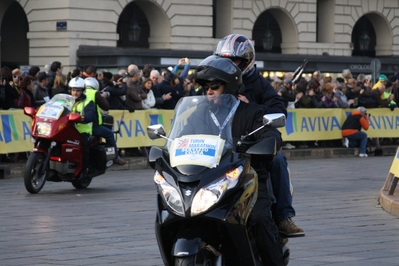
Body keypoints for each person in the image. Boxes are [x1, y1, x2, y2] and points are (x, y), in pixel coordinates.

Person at [191, 55, 285, 265]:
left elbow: (271, 134)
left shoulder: (251, 111)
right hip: (208, 182)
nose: (209, 91)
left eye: (214, 86)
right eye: (206, 87)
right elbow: (181, 137)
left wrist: (258, 145)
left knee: (259, 218)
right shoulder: (198, 113)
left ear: (230, 86)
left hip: (247, 181)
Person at [215, 33, 304, 238]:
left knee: (278, 160)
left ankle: (283, 216)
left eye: (234, 60)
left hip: (255, 142)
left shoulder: (259, 83)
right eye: (225, 60)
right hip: (222, 142)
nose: (229, 64)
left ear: (246, 61)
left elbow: (279, 110)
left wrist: (251, 106)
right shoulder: (215, 81)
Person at [84, 77, 126, 165]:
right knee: (109, 134)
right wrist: (103, 96)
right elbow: (106, 106)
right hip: (90, 126)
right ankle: (116, 157)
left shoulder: (78, 92)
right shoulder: (94, 93)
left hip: (77, 124)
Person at [69, 77, 97, 179]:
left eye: (78, 90)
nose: (75, 93)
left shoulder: (88, 102)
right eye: (73, 90)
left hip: (82, 130)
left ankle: (85, 169)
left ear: (83, 91)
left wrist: (83, 118)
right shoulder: (65, 100)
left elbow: (92, 115)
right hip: (67, 128)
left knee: (83, 147)